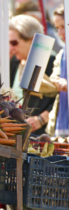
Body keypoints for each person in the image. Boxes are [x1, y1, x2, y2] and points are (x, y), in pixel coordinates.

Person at [8, 15, 55, 135]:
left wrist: (42, 119)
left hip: (41, 136)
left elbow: (62, 99)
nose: (11, 48)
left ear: (32, 40)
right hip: (18, 134)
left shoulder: (51, 62)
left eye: (14, 43)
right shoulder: (15, 62)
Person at [46, 5, 69, 137]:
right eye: (57, 28)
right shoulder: (61, 54)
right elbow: (55, 77)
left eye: (64, 27)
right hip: (61, 130)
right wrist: (56, 80)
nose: (60, 33)